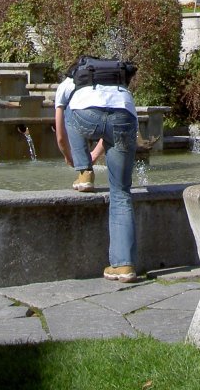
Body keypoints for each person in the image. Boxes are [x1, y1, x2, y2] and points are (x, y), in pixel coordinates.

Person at [54, 61, 139, 283]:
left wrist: (76, 159)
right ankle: (124, 265)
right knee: (121, 193)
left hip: (84, 116)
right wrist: (95, 154)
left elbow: (61, 133)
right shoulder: (118, 86)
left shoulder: (68, 83)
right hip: (125, 117)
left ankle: (84, 175)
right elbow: (111, 130)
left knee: (71, 114)